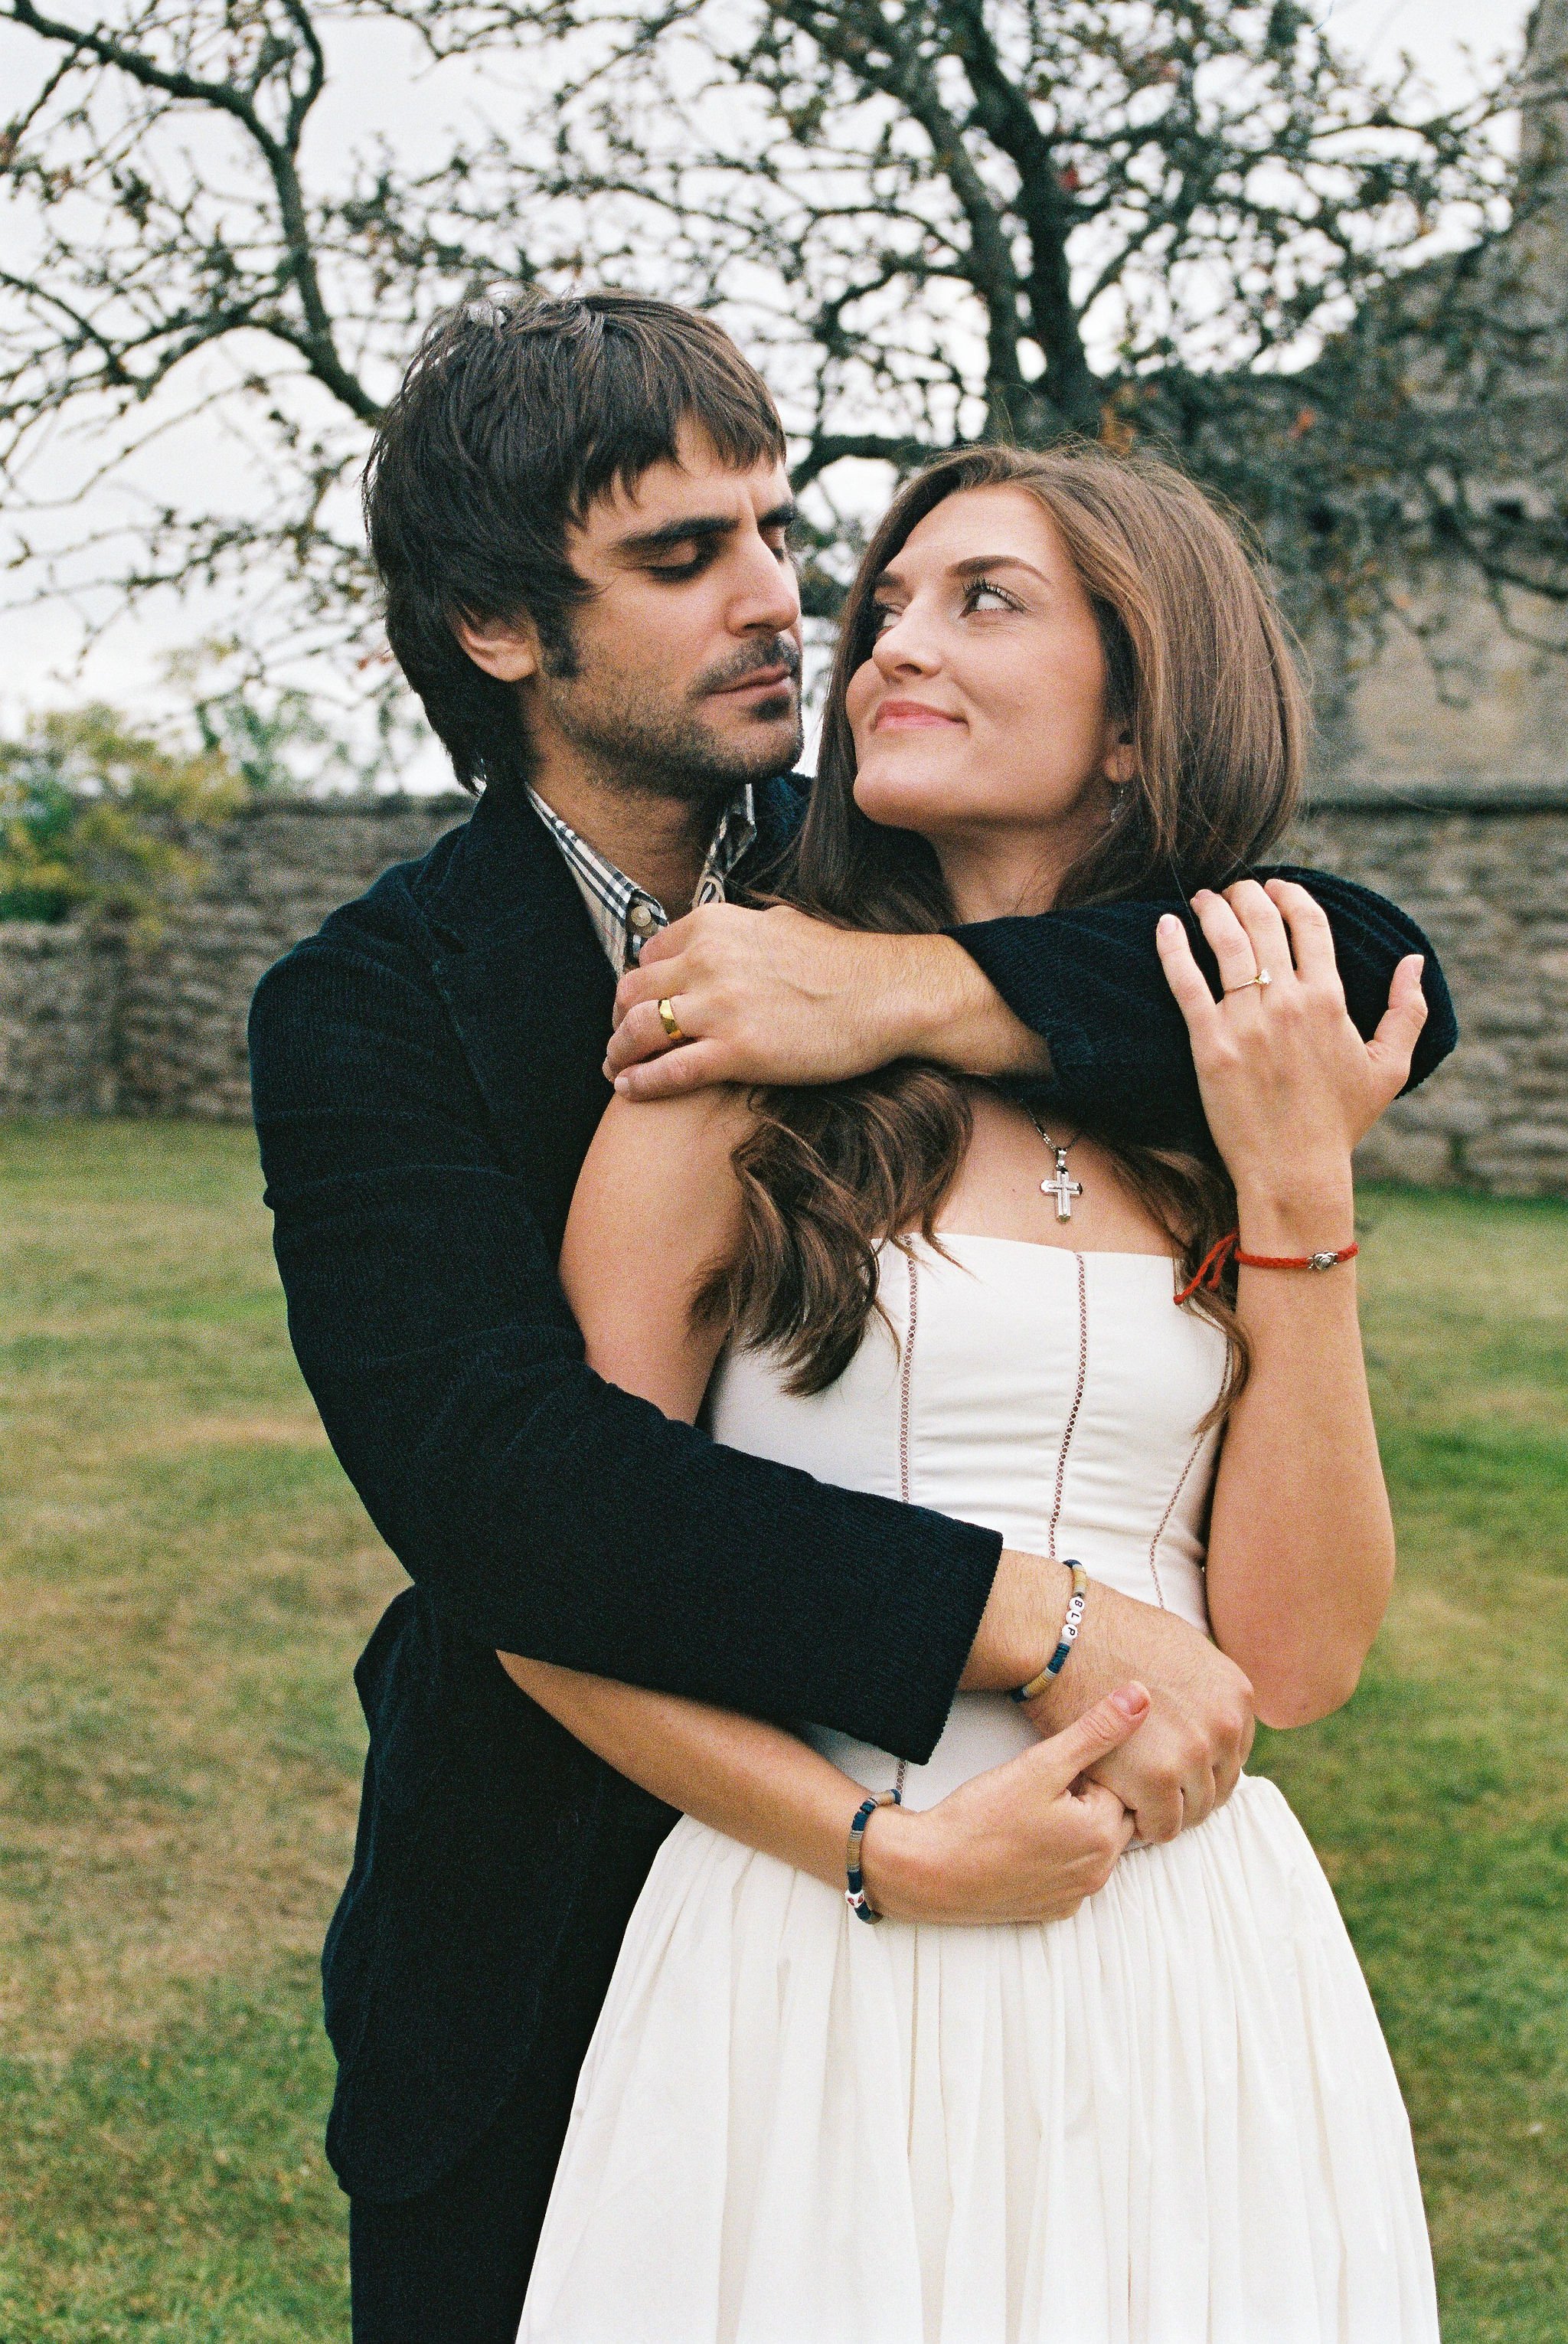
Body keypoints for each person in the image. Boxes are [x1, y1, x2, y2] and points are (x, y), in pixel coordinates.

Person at [247, 290, 1454, 2344]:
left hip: (1134, 1936)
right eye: (681, 555)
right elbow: (516, 1497)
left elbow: (1366, 957)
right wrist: (1042, 1640)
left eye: (781, 532)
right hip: (587, 1899)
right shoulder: (369, 1009)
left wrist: (887, 991)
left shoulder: (883, 887)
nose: (786, 607)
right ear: (500, 629)